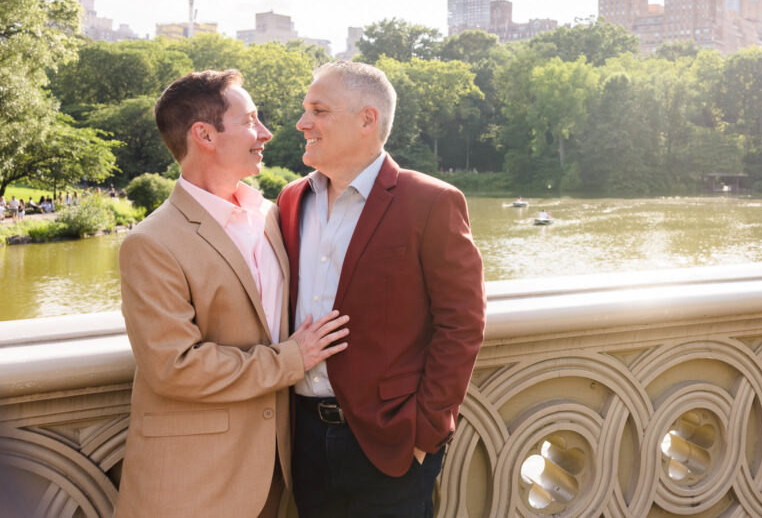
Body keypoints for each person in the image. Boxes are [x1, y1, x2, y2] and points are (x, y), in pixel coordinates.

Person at [116, 70, 351, 518]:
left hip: (280, 471)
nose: (265, 133)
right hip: (195, 482)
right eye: (250, 121)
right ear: (204, 134)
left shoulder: (274, 215)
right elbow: (173, 366)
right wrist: (291, 359)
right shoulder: (150, 243)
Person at [278, 61, 486, 517]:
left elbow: (462, 324)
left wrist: (425, 431)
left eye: (318, 110)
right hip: (303, 440)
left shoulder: (432, 202)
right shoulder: (291, 200)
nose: (302, 122)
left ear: (366, 119)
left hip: (390, 442)